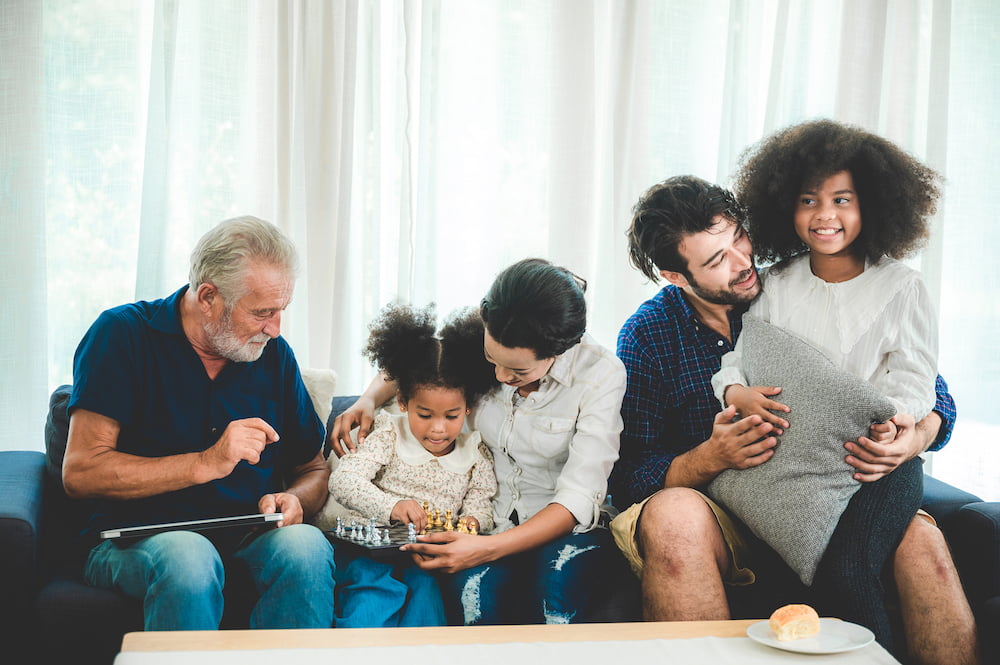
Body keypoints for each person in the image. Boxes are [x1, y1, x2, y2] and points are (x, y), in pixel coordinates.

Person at [609, 175, 978, 665]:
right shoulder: (648, 336)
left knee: (921, 540)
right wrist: (709, 458)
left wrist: (914, 439)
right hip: (721, 519)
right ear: (676, 276)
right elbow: (627, 475)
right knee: (675, 515)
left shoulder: (793, 288)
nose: (743, 264)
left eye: (739, 238)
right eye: (717, 260)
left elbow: (929, 386)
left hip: (831, 496)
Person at [710, 119, 940, 649]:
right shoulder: (776, 285)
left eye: (843, 199)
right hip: (793, 471)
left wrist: (900, 429)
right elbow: (739, 362)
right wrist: (736, 394)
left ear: (874, 205)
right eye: (808, 200)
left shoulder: (903, 286)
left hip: (873, 463)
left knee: (849, 571)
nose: (825, 216)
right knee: (795, 590)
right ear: (786, 208)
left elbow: (916, 378)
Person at [62, 216, 337, 631]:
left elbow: (312, 468)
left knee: (307, 548)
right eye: (262, 312)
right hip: (132, 540)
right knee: (189, 557)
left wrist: (296, 499)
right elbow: (80, 472)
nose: (275, 329)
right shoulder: (121, 336)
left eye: (281, 311)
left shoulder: (275, 356)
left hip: (247, 537)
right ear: (208, 297)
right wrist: (204, 462)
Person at [330, 258, 627, 625]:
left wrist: (485, 548)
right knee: (474, 597)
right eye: (491, 360)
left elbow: (578, 497)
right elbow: (420, 360)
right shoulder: (487, 332)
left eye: (518, 371)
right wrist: (368, 400)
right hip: (490, 522)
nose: (500, 376)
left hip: (558, 528)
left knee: (556, 589)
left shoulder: (601, 375)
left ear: (559, 350)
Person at [329, 302, 498, 628]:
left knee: (427, 614)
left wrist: (474, 523)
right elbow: (344, 480)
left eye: (451, 416)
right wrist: (392, 506)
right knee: (369, 610)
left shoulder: (475, 451)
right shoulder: (389, 433)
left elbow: (481, 500)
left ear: (468, 407)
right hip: (372, 555)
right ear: (404, 402)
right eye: (425, 415)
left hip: (427, 561)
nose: (438, 428)